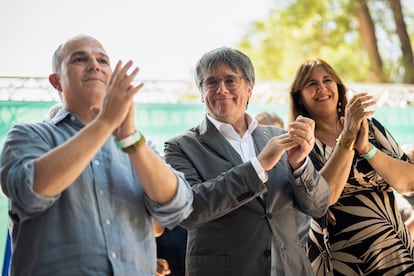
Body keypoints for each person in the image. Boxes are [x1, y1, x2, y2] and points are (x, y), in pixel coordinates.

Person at [0, 35, 193, 276]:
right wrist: (104, 123)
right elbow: (28, 192)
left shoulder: (138, 146)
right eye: (80, 59)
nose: (95, 65)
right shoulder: (28, 135)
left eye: (103, 60)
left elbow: (179, 205)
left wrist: (131, 139)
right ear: (56, 81)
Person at [164, 47, 330, 276]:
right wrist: (258, 166)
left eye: (230, 80)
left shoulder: (278, 136)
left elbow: (318, 206)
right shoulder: (180, 146)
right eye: (211, 82)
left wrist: (300, 164)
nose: (221, 89)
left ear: (249, 88)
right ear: (201, 93)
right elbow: (189, 211)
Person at [288, 58, 414, 275]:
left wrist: (366, 149)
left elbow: (408, 182)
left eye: (327, 80)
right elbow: (325, 197)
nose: (321, 88)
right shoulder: (300, 143)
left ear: (338, 87)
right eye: (311, 83)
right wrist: (347, 137)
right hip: (347, 261)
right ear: (299, 97)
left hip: (396, 253)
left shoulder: (371, 128)